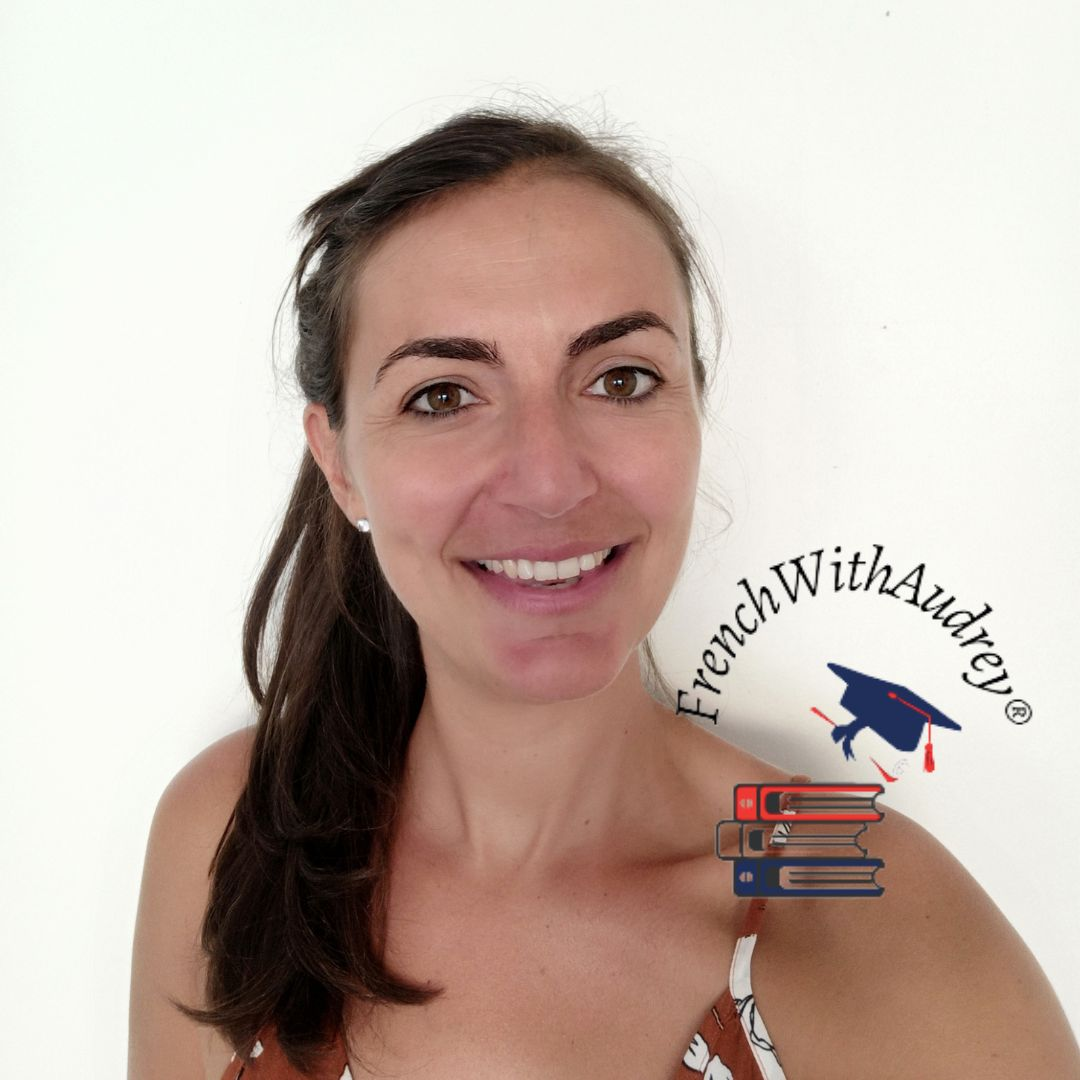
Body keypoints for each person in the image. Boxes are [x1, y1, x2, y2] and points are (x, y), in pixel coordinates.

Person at [128, 102, 1080, 1080]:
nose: (549, 481)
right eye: (443, 395)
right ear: (339, 464)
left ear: (694, 413)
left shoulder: (858, 900)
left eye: (621, 380)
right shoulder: (234, 828)